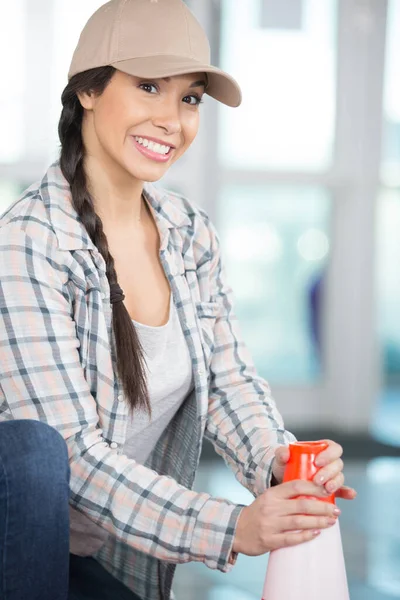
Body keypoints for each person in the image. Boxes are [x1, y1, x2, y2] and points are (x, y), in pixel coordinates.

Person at [0, 1, 356, 599]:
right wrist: (232, 527)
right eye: (148, 87)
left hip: (93, 548)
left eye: (189, 98)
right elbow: (71, 456)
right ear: (88, 89)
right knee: (33, 451)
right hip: (16, 539)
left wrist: (279, 462)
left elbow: (230, 379)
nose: (173, 119)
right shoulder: (28, 244)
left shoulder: (187, 232)